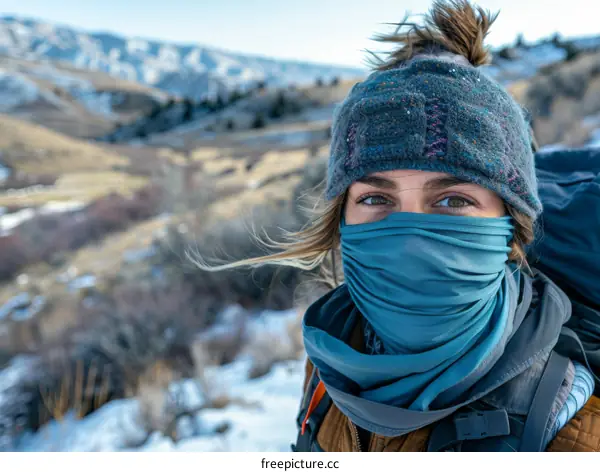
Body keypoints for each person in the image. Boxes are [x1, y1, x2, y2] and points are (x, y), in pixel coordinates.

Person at [194, 0, 600, 452]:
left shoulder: (568, 430)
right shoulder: (332, 360)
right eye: (375, 199)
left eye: (453, 199)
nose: (410, 235)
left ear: (512, 227)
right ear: (341, 218)